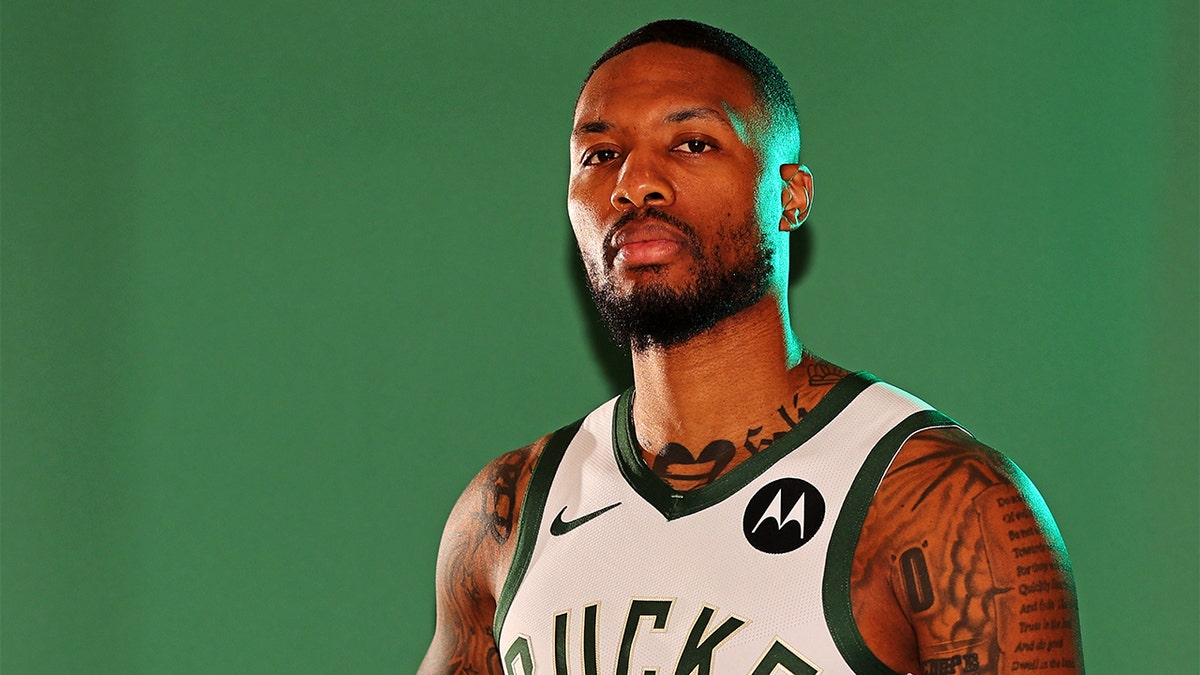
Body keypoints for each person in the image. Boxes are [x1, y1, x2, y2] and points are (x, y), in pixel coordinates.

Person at [419, 19, 1082, 675]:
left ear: (790, 196)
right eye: (600, 155)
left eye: (693, 143)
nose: (635, 182)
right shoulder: (508, 510)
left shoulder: (938, 498)